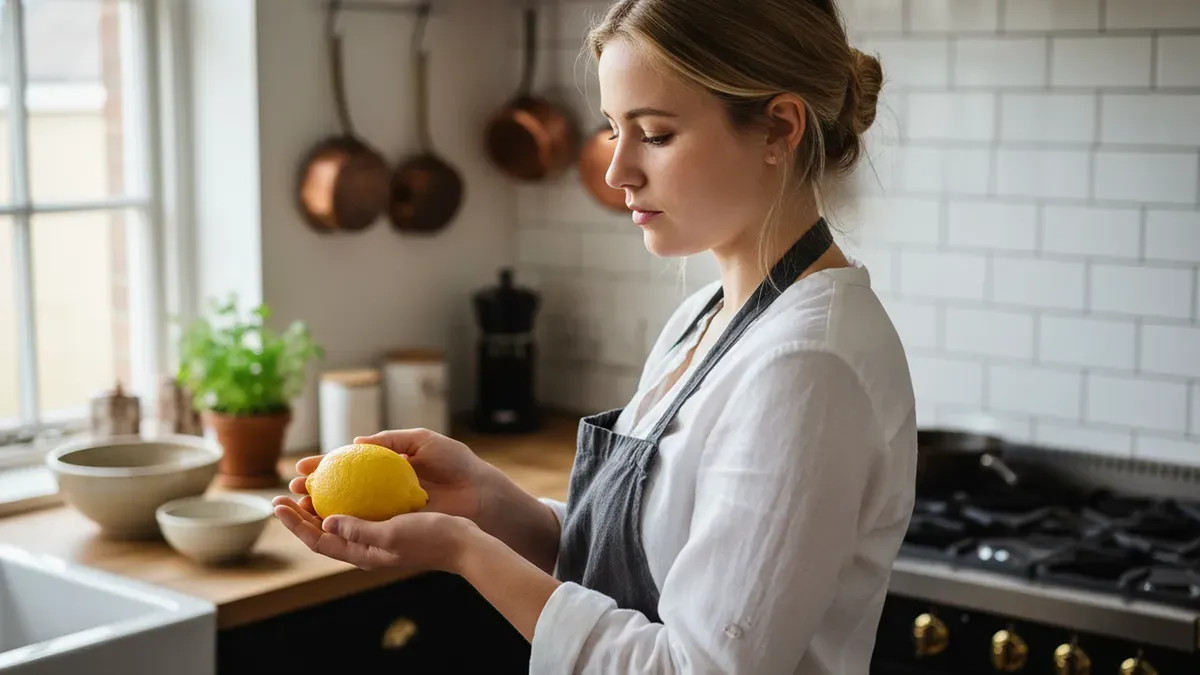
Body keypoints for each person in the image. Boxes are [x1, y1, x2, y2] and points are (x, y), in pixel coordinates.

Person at [272, 0, 916, 672]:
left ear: (779, 128)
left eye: (656, 135)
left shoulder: (806, 365)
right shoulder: (707, 317)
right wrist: (489, 503)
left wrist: (464, 551)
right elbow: (640, 571)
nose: (616, 172)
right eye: (614, 130)